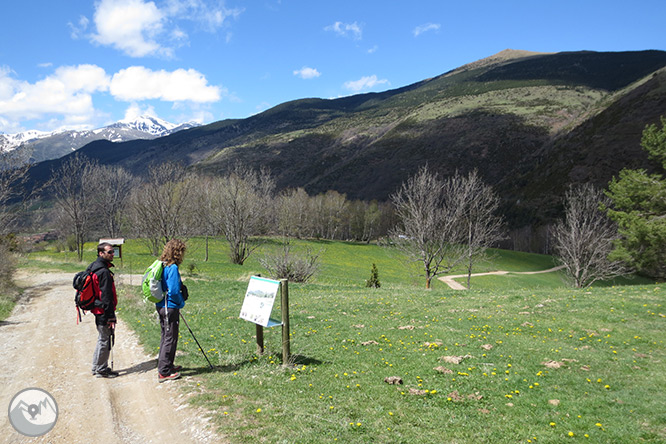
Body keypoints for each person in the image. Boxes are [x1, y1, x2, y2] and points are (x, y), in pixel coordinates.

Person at [156, 239, 187, 382]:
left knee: (166, 336)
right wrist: (181, 303)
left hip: (162, 305)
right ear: (178, 252)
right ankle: (164, 372)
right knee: (170, 338)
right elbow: (174, 291)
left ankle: (168, 365)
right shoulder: (172, 268)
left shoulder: (162, 265)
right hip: (170, 307)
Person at [90, 242, 119, 378]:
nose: (113, 254)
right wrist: (111, 316)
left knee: (102, 338)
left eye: (113, 252)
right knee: (105, 340)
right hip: (103, 311)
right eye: (110, 252)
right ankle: (101, 369)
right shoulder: (103, 272)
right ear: (101, 253)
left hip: (97, 309)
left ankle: (96, 366)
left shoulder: (94, 267)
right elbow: (106, 296)